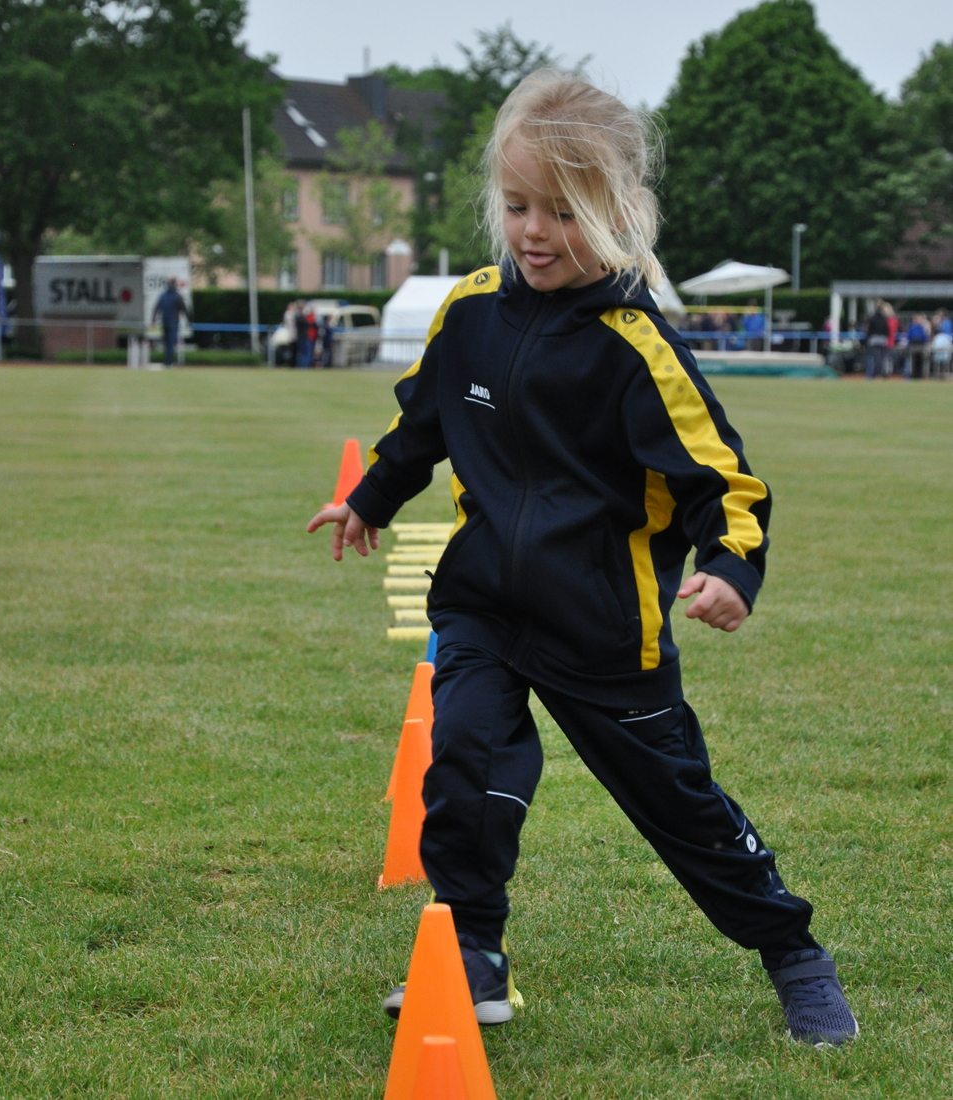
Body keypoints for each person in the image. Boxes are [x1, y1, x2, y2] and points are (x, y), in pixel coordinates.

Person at [308, 70, 858, 1047]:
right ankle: (471, 947)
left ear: (617, 213)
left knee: (679, 806)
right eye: (519, 204)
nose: (534, 231)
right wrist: (368, 498)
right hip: (482, 602)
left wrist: (732, 569)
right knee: (463, 760)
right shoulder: (470, 310)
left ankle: (793, 953)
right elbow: (421, 422)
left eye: (563, 212)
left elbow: (723, 483)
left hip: (604, 626)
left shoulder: (634, 345)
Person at [151, 277, 189, 367]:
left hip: (164, 322)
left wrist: (153, 320)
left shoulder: (163, 295)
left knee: (166, 343)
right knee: (171, 343)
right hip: (173, 322)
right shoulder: (177, 296)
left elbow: (157, 308)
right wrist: (189, 321)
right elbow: (184, 308)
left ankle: (166, 361)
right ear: (174, 284)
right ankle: (170, 362)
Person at [864, 301, 890, 379]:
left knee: (871, 357)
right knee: (883, 357)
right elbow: (887, 330)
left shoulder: (872, 318)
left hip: (874, 338)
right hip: (883, 339)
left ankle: (870, 374)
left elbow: (869, 330)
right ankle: (884, 373)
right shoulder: (885, 318)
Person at [905, 314, 929, 380]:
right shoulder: (912, 327)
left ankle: (919, 374)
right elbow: (909, 336)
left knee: (920, 360)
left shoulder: (921, 327)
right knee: (913, 360)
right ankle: (913, 374)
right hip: (914, 344)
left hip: (920, 344)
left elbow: (924, 337)